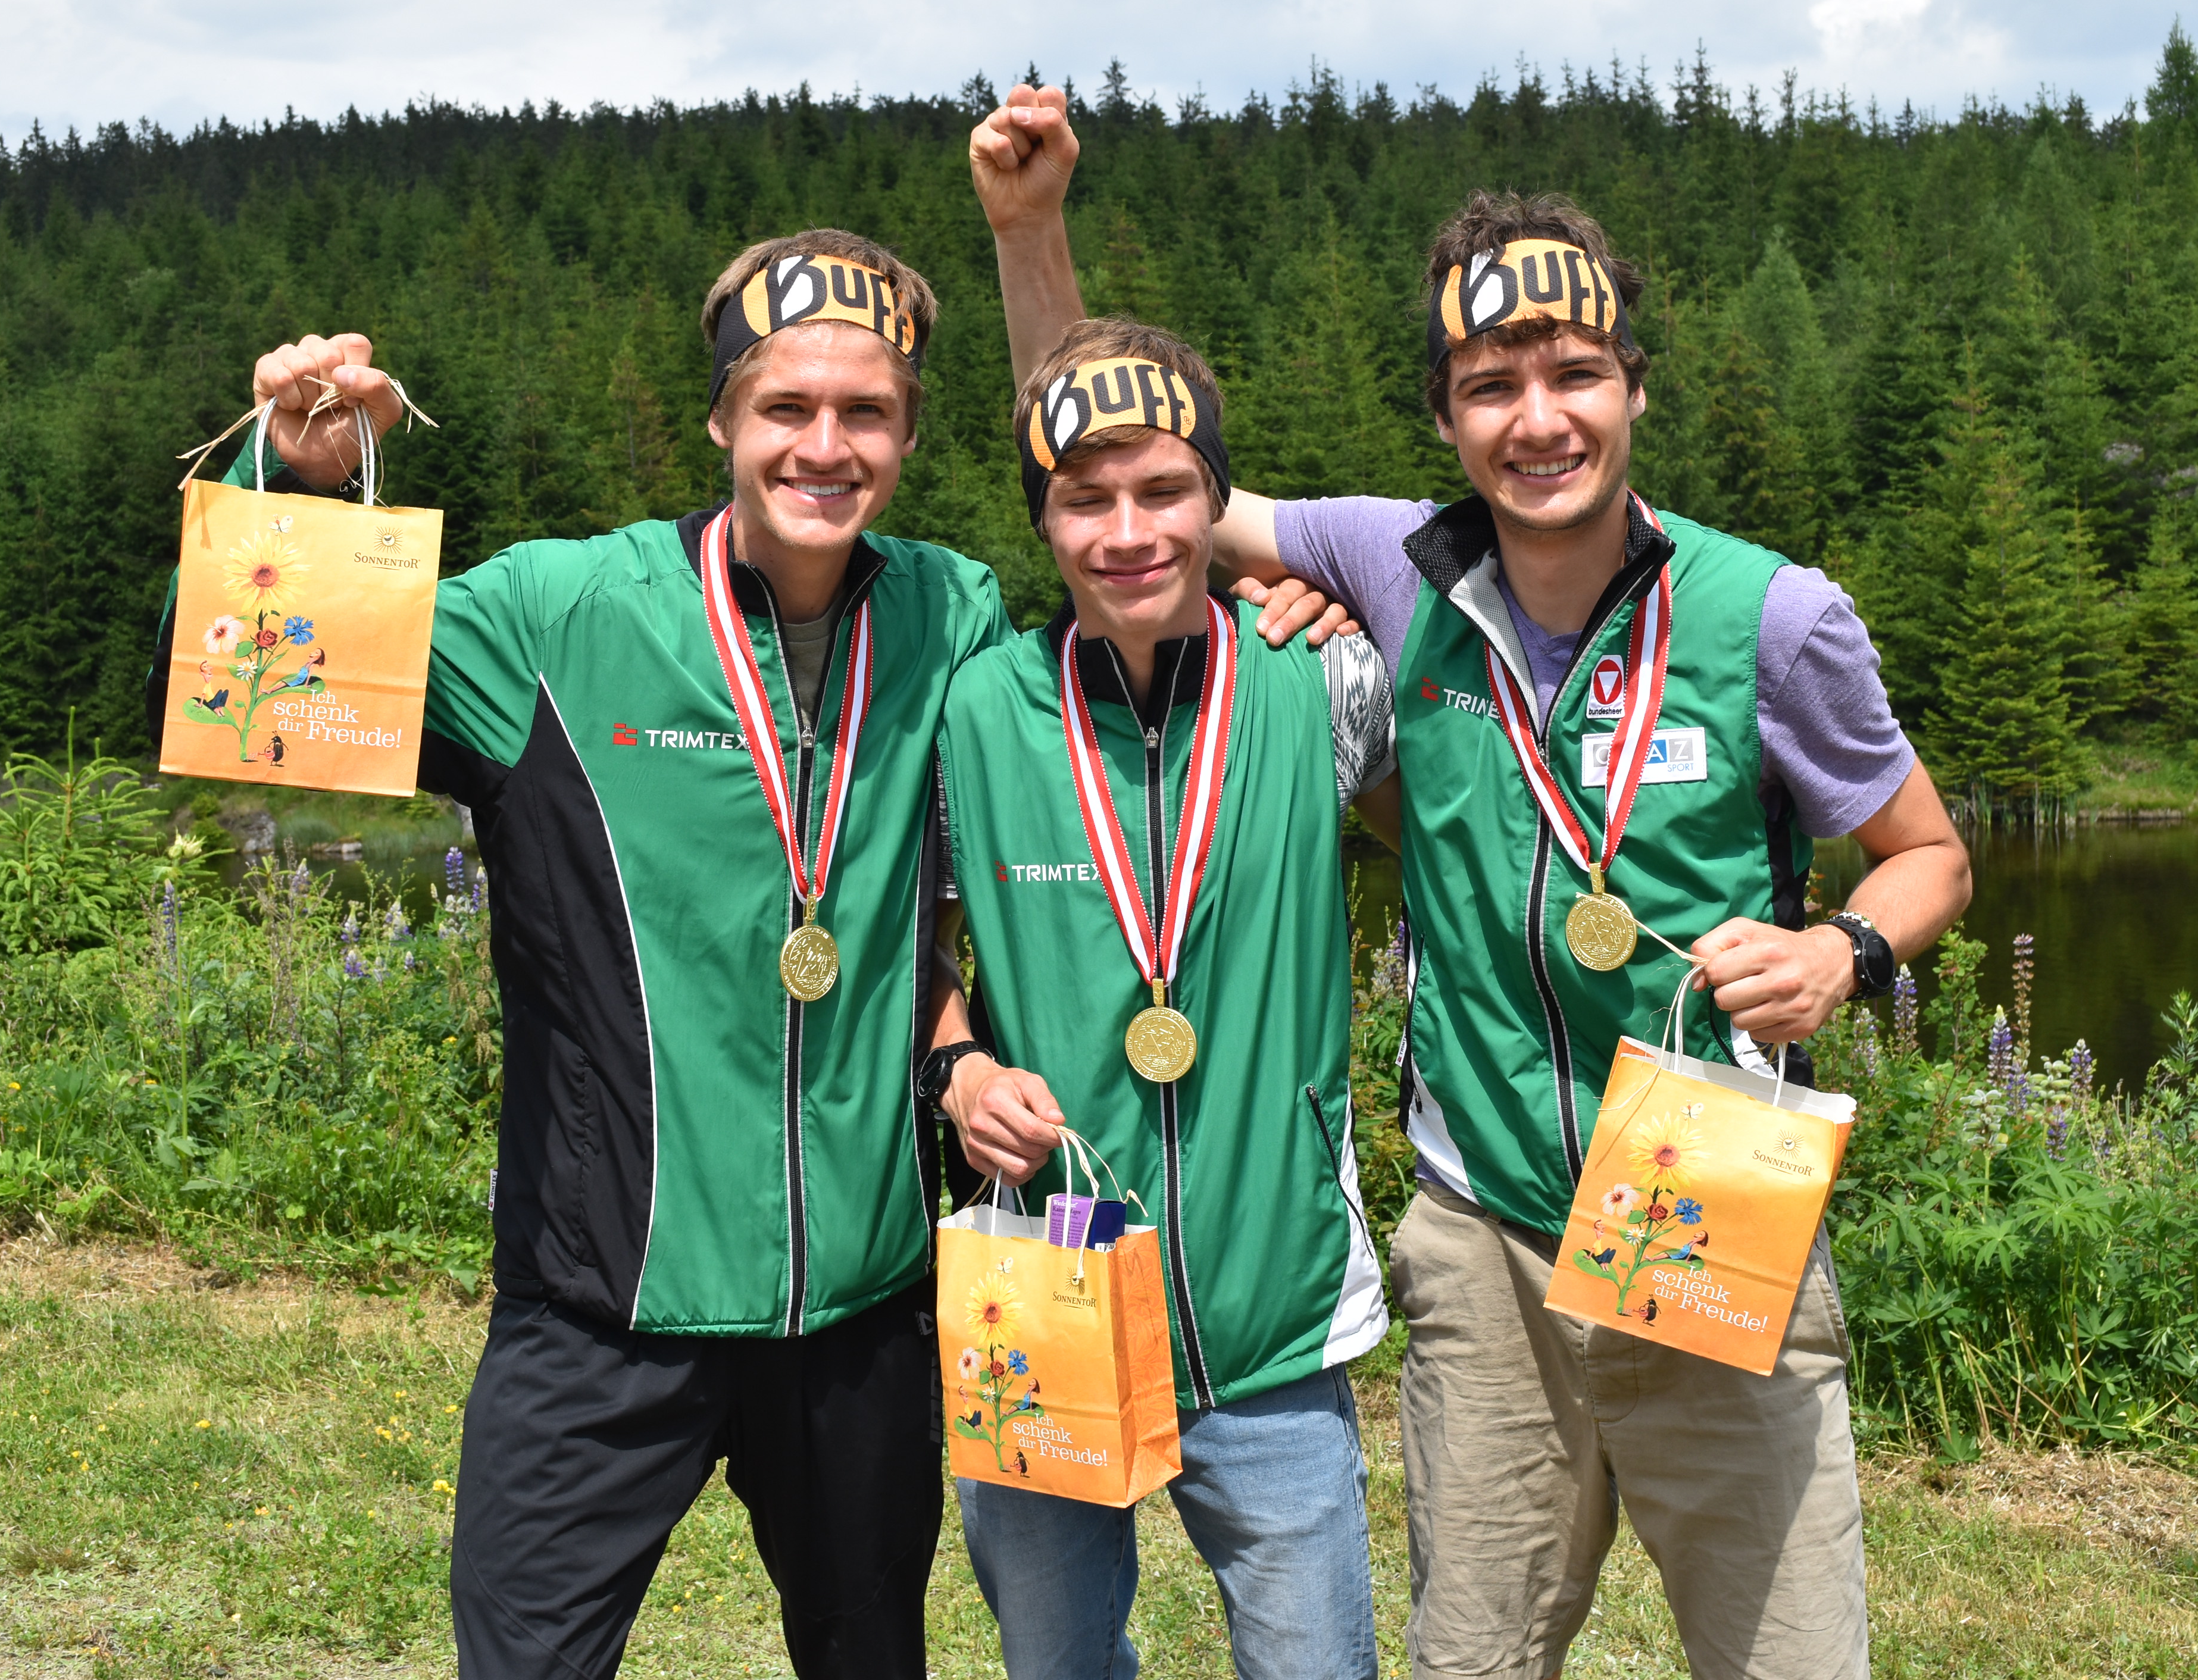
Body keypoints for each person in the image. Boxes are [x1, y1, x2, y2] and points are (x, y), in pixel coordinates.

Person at [143, 225, 1349, 1680]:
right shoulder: (560, 619)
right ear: (723, 419)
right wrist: (296, 477)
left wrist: (1293, 593)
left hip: (860, 1324)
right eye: (786, 408)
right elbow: (227, 677)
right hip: (604, 1309)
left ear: (907, 436)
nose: (824, 448)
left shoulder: (950, 620)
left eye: (868, 415)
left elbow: (1109, 583)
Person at [977, 86, 1973, 1680]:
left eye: (1575, 374)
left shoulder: (1775, 617)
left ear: (1635, 387)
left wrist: (1843, 949)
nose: (1540, 417)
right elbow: (1117, 451)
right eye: (1492, 384)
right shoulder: (1394, 563)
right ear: (1445, 417)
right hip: (1487, 1239)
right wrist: (1033, 233)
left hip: (1715, 1214)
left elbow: (1929, 854)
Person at [920, 304, 1395, 1679]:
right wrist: (956, 1068)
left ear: (1217, 504)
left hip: (1276, 1312)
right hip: (1045, 1293)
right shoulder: (973, 713)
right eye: (1086, 500)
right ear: (1045, 521)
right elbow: (902, 953)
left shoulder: (1323, 679)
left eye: (1164, 491)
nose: (1128, 531)